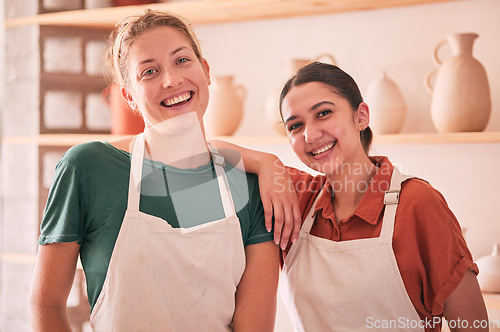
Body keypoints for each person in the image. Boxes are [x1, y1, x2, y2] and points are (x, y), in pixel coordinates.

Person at [28, 10, 299, 331]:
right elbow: (46, 304)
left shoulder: (251, 186)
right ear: (128, 95)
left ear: (206, 70)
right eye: (150, 71)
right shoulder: (88, 168)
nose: (171, 80)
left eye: (182, 60)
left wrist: (270, 162)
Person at [216, 62, 488, 331]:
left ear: (361, 117)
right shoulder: (296, 196)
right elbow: (201, 149)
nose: (310, 134)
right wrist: (267, 162)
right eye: (295, 126)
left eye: (323, 113)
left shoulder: (418, 202)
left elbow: (473, 325)